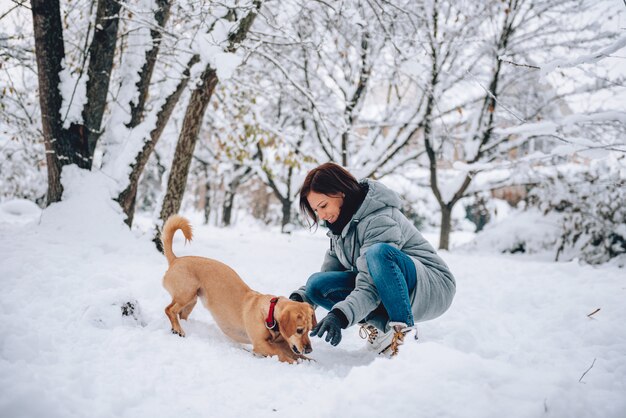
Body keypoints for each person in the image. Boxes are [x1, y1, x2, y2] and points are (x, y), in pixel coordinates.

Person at [289, 162, 456, 356]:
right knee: (317, 285)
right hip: (388, 283)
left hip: (432, 286)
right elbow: (328, 275)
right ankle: (383, 328)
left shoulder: (379, 218)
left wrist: (340, 315)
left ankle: (403, 334)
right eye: (316, 210)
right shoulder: (340, 227)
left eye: (323, 205)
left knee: (377, 254)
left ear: (340, 191)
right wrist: (297, 301)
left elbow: (371, 284)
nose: (322, 215)